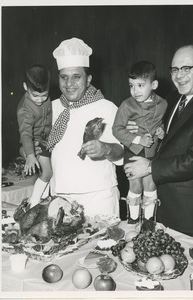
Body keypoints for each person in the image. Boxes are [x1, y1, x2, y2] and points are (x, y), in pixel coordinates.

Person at [124, 45, 193, 237]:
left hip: (190, 215)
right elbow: (161, 137)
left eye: (186, 68)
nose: (179, 75)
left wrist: (149, 168)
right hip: (159, 206)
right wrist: (135, 129)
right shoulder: (171, 98)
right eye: (174, 69)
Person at [45, 37, 123, 218]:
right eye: (64, 77)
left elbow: (124, 153)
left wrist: (106, 149)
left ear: (88, 79)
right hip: (59, 197)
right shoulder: (51, 108)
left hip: (98, 198)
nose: (69, 84)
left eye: (76, 77)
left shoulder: (107, 108)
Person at [112, 61, 167, 224]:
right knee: (135, 184)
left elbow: (159, 122)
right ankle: (133, 220)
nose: (135, 91)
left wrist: (161, 130)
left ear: (154, 84)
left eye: (140, 85)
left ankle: (149, 221)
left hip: (152, 151)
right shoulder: (126, 105)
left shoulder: (163, 103)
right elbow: (116, 129)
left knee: (150, 184)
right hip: (133, 150)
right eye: (131, 85)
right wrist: (138, 139)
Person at [17, 64, 52, 208]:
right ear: (26, 87)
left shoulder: (47, 98)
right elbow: (25, 133)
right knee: (47, 173)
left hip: (46, 141)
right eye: (35, 96)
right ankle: (33, 203)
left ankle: (43, 203)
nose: (40, 100)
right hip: (34, 143)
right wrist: (30, 154)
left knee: (48, 174)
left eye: (44, 95)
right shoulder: (26, 109)